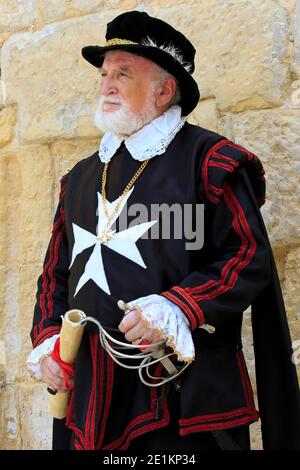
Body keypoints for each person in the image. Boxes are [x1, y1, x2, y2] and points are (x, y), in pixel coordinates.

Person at [27, 10, 300, 450]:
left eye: (123, 73)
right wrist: (49, 342)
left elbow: (248, 258)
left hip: (181, 403)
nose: (106, 85)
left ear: (165, 89)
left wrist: (180, 307)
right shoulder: (79, 178)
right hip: (88, 403)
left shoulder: (209, 161)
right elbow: (55, 274)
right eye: (104, 74)